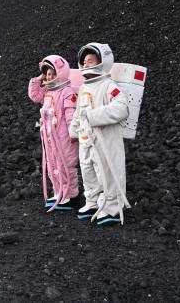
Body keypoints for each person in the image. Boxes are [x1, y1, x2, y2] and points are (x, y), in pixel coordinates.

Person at [69, 43, 130, 226]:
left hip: (105, 139)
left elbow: (122, 108)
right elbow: (79, 111)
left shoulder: (108, 85)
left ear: (102, 61)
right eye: (84, 62)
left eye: (90, 61)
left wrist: (95, 117)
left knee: (108, 171)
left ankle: (112, 206)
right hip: (86, 139)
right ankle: (93, 202)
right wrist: (74, 128)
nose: (86, 65)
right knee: (88, 171)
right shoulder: (84, 88)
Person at [29, 55, 80, 211]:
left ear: (60, 73)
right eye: (48, 74)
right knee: (53, 164)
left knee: (66, 164)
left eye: (53, 74)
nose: (50, 77)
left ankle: (71, 195)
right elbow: (34, 95)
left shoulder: (66, 91)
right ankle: (59, 191)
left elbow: (71, 113)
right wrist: (40, 77)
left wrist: (73, 133)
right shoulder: (48, 92)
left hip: (64, 136)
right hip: (51, 136)